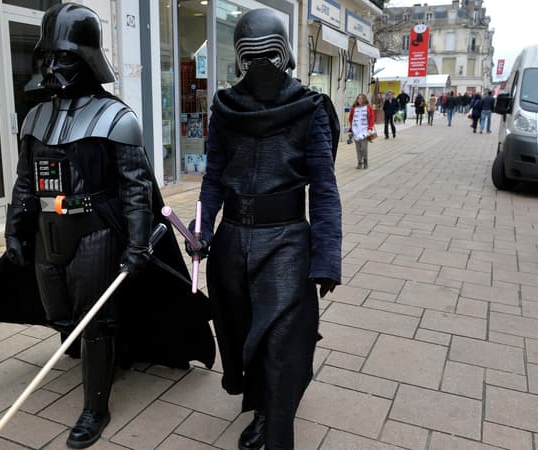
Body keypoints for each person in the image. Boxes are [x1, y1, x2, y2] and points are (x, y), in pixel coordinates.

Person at [0, 4, 215, 448]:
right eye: (48, 57)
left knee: (95, 322)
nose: (53, 67)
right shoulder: (35, 118)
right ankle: (108, 356)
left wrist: (135, 244)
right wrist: (14, 229)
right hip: (48, 232)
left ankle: (95, 407)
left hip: (95, 230)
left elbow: (136, 190)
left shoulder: (116, 118)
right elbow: (23, 182)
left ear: (88, 59)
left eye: (65, 57)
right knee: (60, 314)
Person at [187, 8, 342, 449]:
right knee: (240, 336)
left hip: (287, 242)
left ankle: (277, 429)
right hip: (233, 242)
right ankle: (260, 409)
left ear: (286, 54)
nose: (260, 66)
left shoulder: (310, 108)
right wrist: (202, 230)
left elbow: (324, 190)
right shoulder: (225, 107)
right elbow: (213, 177)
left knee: (281, 347)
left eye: (269, 55)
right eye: (250, 56)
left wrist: (326, 257)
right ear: (238, 59)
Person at [348, 93, 375, 169]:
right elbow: (351, 119)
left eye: (361, 98)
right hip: (356, 131)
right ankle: (359, 162)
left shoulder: (368, 107)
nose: (359, 100)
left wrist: (370, 128)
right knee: (358, 148)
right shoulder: (354, 108)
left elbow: (372, 118)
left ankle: (365, 161)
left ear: (364, 99)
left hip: (364, 131)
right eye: (358, 98)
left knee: (363, 148)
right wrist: (351, 129)